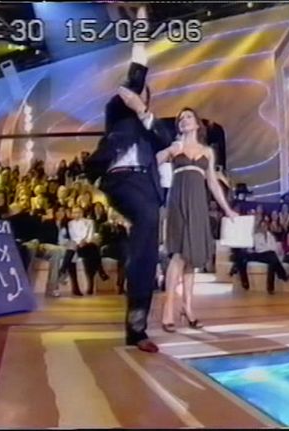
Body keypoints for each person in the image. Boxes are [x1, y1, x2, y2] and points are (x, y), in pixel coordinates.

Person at [85, 17, 174, 353]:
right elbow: (136, 73)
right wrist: (140, 30)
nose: (136, 94)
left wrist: (144, 113)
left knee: (146, 246)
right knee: (148, 221)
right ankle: (136, 258)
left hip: (145, 185)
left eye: (142, 95)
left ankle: (137, 327)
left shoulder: (151, 126)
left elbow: (166, 140)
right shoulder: (117, 114)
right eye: (133, 92)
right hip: (118, 179)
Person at [157, 107, 239, 332]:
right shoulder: (176, 148)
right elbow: (154, 161)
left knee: (191, 258)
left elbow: (212, 183)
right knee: (178, 255)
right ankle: (168, 309)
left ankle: (188, 308)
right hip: (178, 201)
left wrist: (227, 209)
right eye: (180, 118)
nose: (184, 120)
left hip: (198, 204)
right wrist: (169, 150)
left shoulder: (207, 152)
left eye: (188, 117)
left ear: (196, 123)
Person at [235, 219, 289, 294]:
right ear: (260, 227)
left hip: (269, 255)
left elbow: (274, 248)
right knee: (272, 257)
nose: (264, 227)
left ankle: (271, 287)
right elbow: (258, 248)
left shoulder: (271, 236)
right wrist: (268, 248)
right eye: (262, 226)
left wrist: (267, 248)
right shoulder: (257, 236)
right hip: (259, 254)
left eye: (265, 226)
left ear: (267, 226)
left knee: (273, 260)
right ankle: (282, 275)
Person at [68, 206, 109, 295]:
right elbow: (72, 236)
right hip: (76, 245)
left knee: (91, 251)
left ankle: (91, 284)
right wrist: (79, 242)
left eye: (79, 212)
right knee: (92, 252)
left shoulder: (89, 222)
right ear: (71, 214)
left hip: (87, 244)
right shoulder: (70, 223)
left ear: (82, 213)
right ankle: (101, 271)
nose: (77, 214)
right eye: (74, 212)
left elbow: (90, 234)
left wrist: (85, 241)